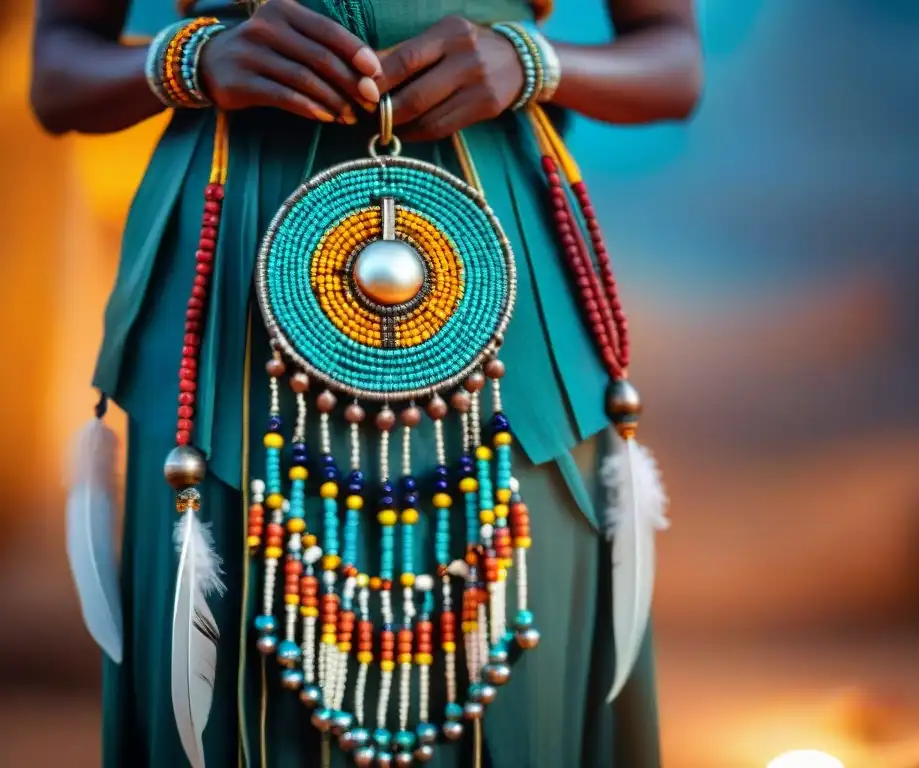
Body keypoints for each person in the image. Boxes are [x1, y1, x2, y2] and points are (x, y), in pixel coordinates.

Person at [31, 1, 701, 766]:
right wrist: (193, 61)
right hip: (227, 286)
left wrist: (529, 63)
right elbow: (59, 73)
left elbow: (672, 64)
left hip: (503, 287)